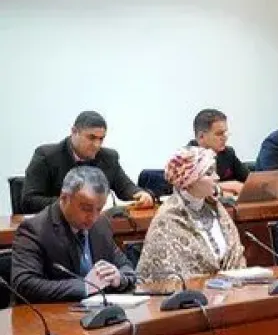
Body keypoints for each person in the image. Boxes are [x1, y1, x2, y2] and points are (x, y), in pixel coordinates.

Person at [11, 166, 137, 302]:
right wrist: (85, 287)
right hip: (53, 311)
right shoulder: (34, 229)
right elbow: (24, 283)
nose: (93, 217)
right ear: (64, 198)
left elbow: (126, 267)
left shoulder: (101, 224)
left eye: (99, 209)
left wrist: (119, 278)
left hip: (97, 309)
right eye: (86, 209)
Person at [136, 147, 246, 285]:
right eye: (209, 173)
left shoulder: (217, 210)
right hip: (190, 295)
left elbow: (235, 256)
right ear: (189, 180)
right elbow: (167, 277)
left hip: (231, 290)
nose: (216, 178)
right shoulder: (167, 220)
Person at [20, 110, 154, 214]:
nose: (97, 145)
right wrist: (73, 203)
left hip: (98, 228)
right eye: (91, 138)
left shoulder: (108, 157)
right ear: (74, 132)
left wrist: (141, 195)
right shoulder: (46, 157)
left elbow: (126, 187)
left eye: (101, 139)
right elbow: (29, 201)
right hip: (55, 228)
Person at [187, 108, 249, 196]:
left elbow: (248, 180)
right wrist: (230, 186)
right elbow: (191, 189)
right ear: (201, 136)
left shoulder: (228, 153)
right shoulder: (186, 158)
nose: (225, 138)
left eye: (225, 133)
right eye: (219, 134)